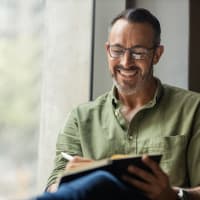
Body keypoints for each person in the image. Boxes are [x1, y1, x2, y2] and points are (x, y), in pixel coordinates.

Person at [37, 8, 200, 200]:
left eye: (138, 52)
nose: (126, 61)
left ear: (157, 54)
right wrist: (70, 179)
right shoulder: (80, 118)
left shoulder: (193, 108)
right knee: (98, 182)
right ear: (108, 51)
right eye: (117, 51)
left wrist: (174, 195)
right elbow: (52, 186)